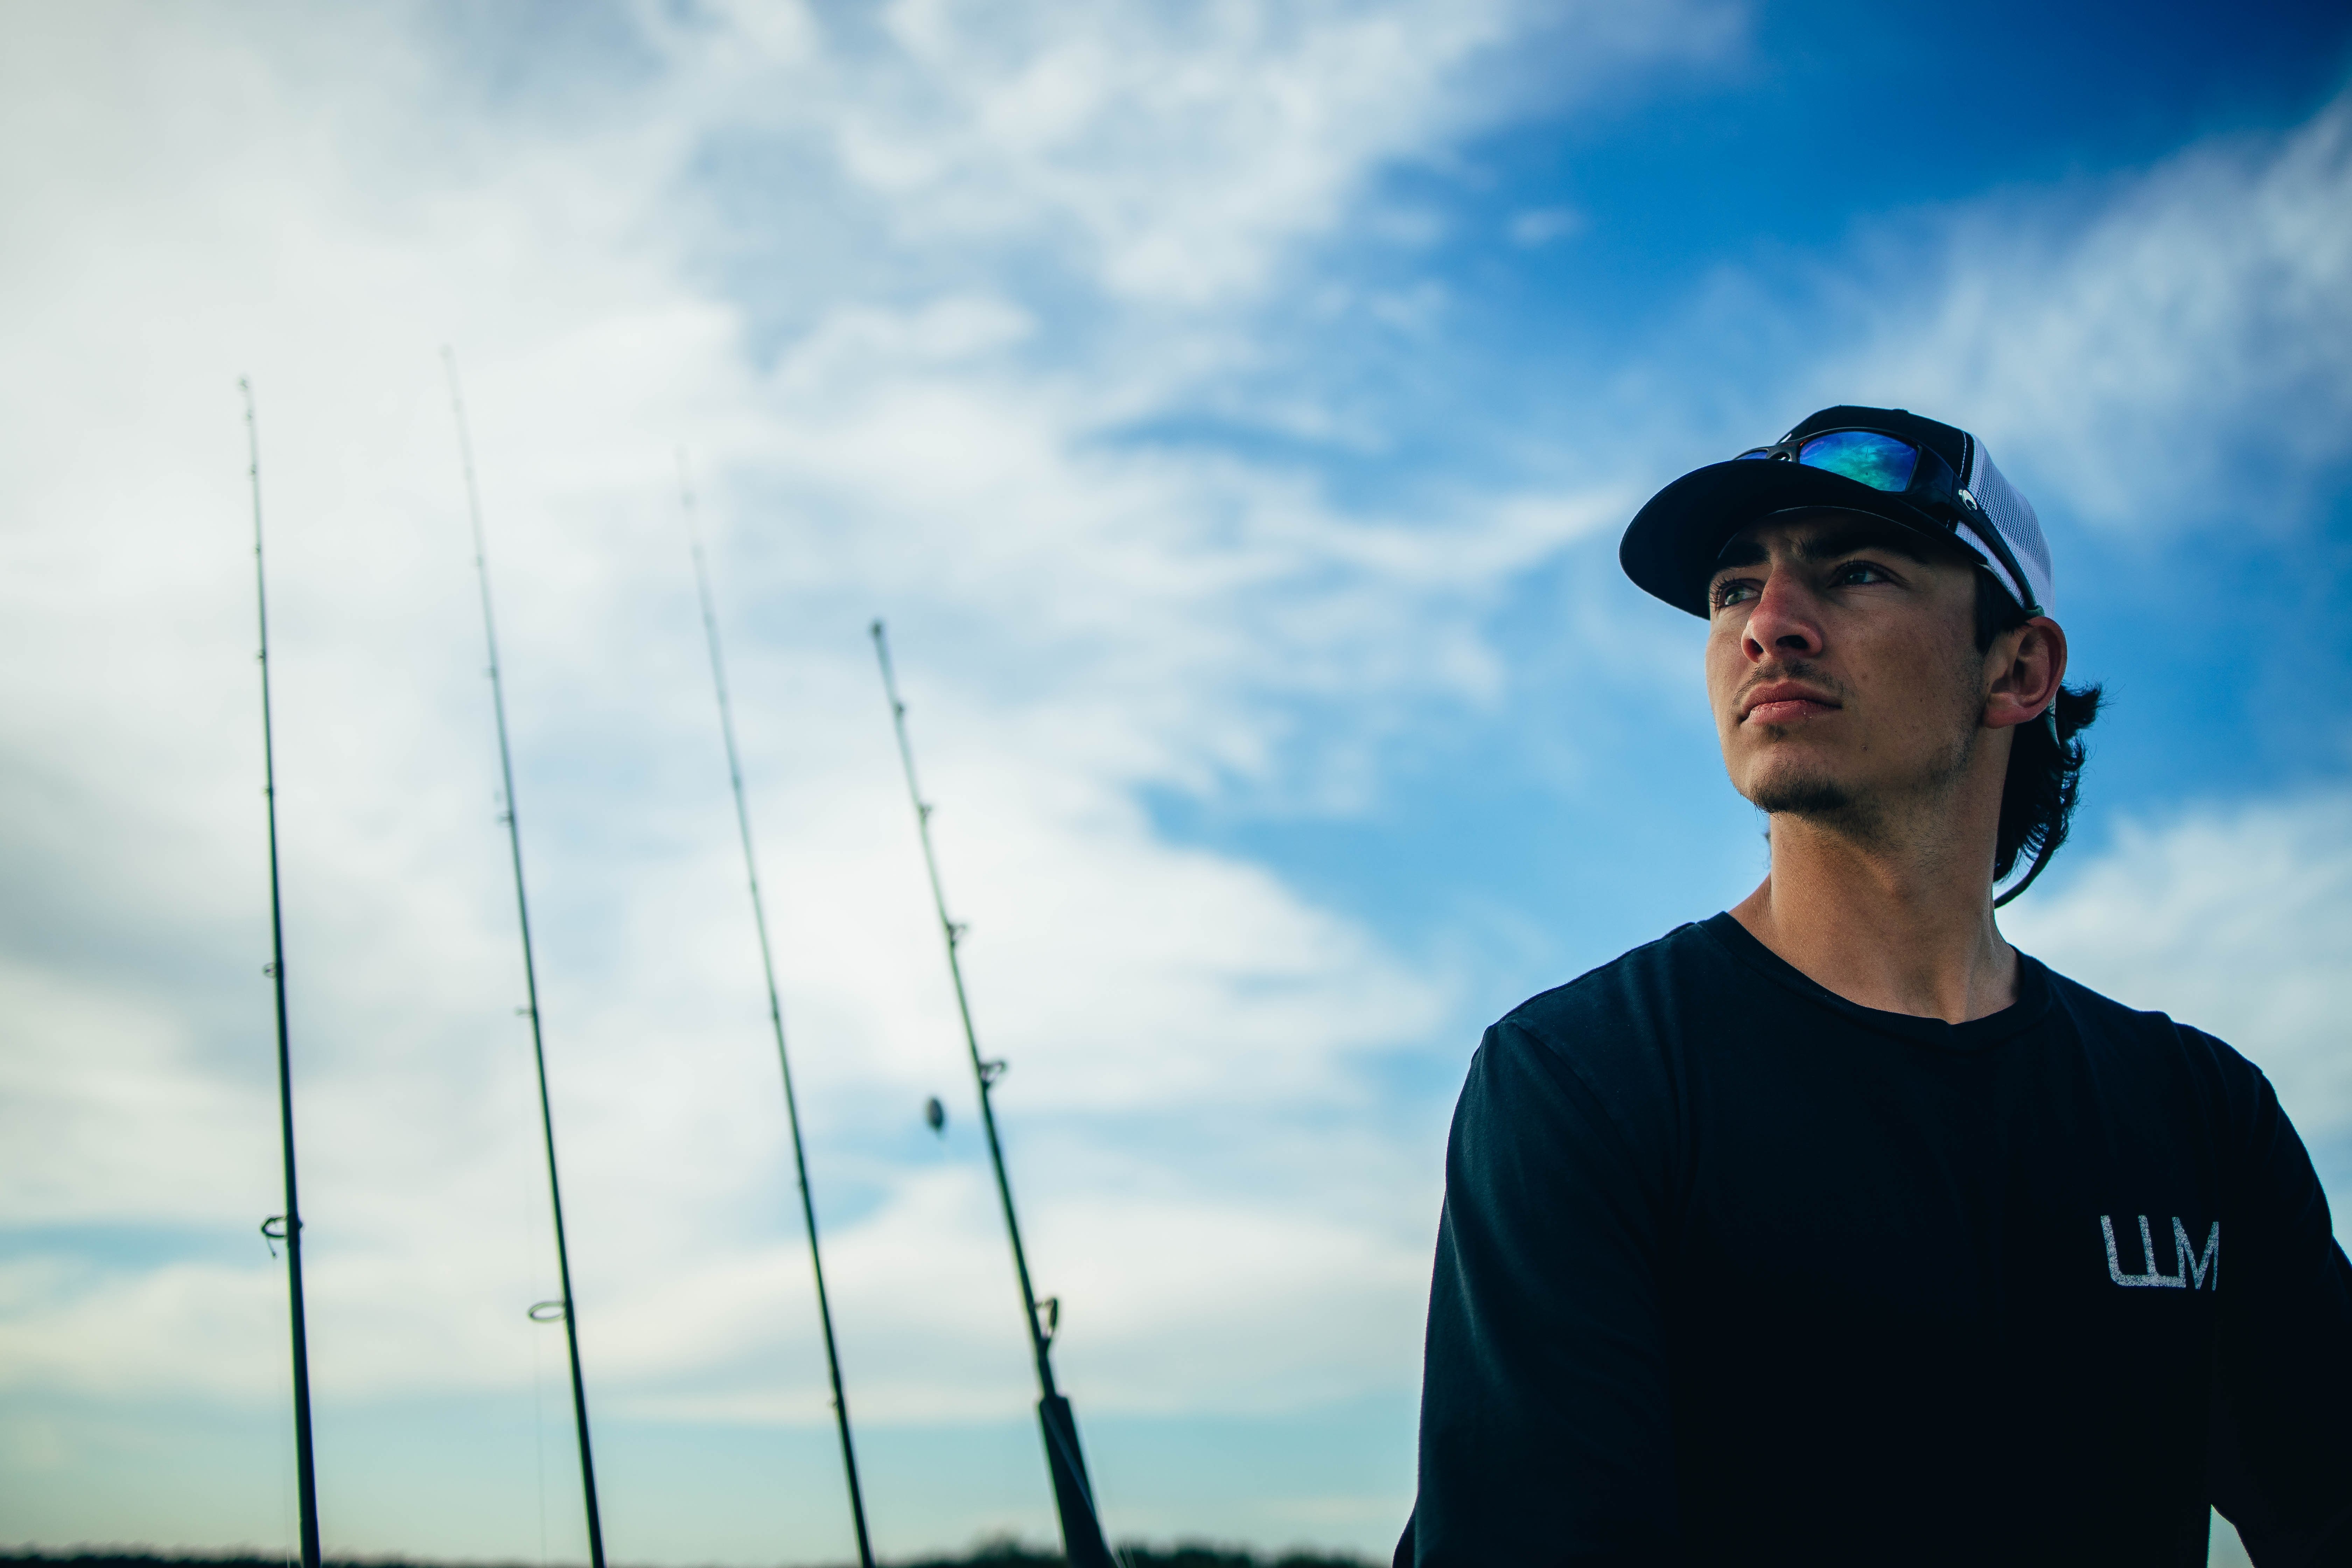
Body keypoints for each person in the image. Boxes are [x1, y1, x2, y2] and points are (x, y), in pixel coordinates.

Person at [1394, 407, 2352, 1565]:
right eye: (1733, 591)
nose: (1769, 628)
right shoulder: (1584, 1082)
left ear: (2018, 668)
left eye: (1854, 571)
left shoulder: (2200, 1117)